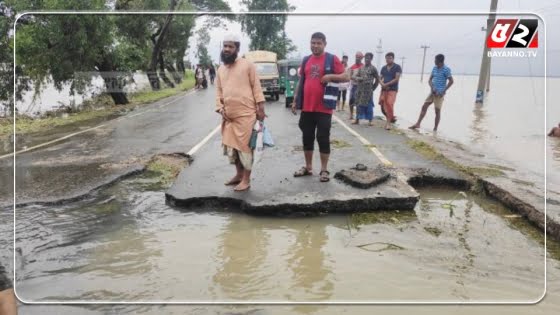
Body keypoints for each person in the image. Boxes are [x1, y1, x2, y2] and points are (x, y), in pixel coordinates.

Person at [291, 32, 349, 182]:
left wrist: (330, 77)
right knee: (307, 137)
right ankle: (308, 167)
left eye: (318, 43)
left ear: (324, 44)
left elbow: (346, 76)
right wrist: (295, 99)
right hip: (307, 107)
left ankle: (324, 170)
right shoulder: (306, 60)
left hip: (324, 107)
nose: (315, 46)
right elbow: (301, 81)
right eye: (313, 43)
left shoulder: (332, 59)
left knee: (323, 138)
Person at [215, 33, 266, 192]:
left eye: (230, 46)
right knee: (232, 148)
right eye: (225, 46)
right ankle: (238, 175)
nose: (227, 49)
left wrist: (261, 109)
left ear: (237, 48)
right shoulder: (221, 69)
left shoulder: (247, 65)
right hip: (228, 117)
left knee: (245, 149)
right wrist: (220, 107)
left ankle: (246, 179)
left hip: (246, 116)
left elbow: (256, 87)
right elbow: (218, 92)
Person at [409, 54, 454, 131]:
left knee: (437, 111)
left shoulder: (446, 69)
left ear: (440, 61)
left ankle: (435, 129)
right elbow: (430, 80)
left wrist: (444, 90)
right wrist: (432, 87)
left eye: (435, 60)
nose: (434, 61)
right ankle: (418, 123)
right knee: (424, 106)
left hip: (440, 94)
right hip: (432, 92)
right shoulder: (434, 68)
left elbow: (451, 81)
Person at [352, 52, 380, 126]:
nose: (367, 59)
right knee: (358, 105)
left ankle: (370, 121)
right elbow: (354, 77)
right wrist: (359, 78)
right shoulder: (361, 68)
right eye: (366, 58)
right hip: (360, 90)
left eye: (369, 58)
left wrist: (373, 88)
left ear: (371, 59)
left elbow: (377, 79)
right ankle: (357, 120)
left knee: (369, 106)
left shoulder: (373, 68)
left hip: (368, 91)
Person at [379, 52, 402, 130]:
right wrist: (382, 84)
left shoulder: (397, 67)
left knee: (389, 103)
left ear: (393, 58)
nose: (388, 59)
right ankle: (390, 117)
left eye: (390, 58)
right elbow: (380, 77)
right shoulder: (383, 68)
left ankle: (388, 123)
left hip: (392, 90)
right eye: (387, 58)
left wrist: (387, 84)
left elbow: (396, 79)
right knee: (382, 106)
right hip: (383, 89)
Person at [348, 52, 364, 120]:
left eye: (359, 57)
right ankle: (351, 114)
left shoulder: (363, 66)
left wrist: (356, 78)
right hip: (353, 86)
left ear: (361, 58)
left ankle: (358, 116)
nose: (357, 58)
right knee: (351, 100)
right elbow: (349, 76)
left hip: (360, 86)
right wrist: (353, 78)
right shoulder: (352, 66)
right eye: (356, 57)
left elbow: (364, 77)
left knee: (358, 102)